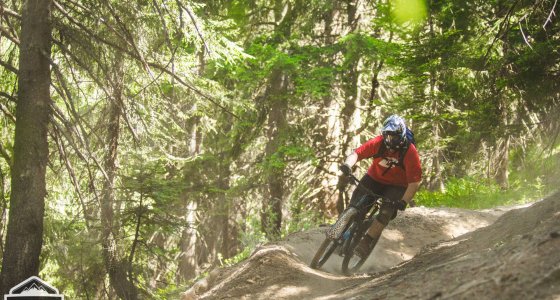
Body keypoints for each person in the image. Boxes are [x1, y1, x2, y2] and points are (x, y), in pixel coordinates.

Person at [339, 114, 422, 258]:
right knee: (354, 207)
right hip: (374, 178)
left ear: (401, 135)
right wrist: (347, 165)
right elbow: (357, 154)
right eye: (387, 136)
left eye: (394, 136)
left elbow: (414, 182)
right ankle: (338, 233)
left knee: (385, 213)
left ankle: (366, 241)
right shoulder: (378, 142)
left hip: (397, 186)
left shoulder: (410, 152)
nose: (390, 140)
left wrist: (403, 201)